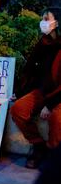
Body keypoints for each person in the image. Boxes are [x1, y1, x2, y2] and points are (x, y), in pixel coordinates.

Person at [10, 9, 61, 169]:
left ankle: (54, 155)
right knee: (18, 109)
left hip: (58, 95)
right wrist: (19, 92)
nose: (43, 22)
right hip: (42, 91)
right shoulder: (43, 43)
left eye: (47, 19)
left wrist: (50, 104)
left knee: (56, 119)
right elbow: (30, 69)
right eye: (43, 18)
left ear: (57, 23)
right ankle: (39, 146)